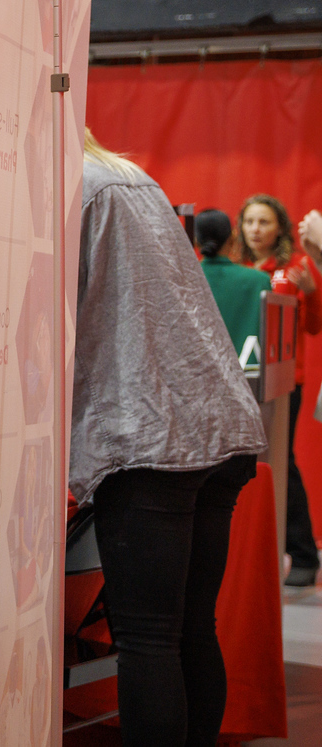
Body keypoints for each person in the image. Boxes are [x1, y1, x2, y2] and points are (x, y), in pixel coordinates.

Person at [74, 133, 266, 746]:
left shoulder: (68, 187)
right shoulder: (128, 176)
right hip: (211, 418)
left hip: (152, 432)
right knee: (187, 630)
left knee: (149, 638)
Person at [236, 193, 322, 587]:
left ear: (279, 228)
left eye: (264, 222)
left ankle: (303, 556)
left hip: (285, 385)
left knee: (280, 464)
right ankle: (251, 552)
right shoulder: (232, 268)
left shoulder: (297, 269)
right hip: (239, 381)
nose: (256, 229)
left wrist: (312, 292)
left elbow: (314, 327)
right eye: (250, 221)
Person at [195, 209, 271, 369]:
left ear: (196, 240)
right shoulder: (259, 281)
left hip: (195, 381)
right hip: (248, 382)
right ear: (233, 237)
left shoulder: (182, 280)